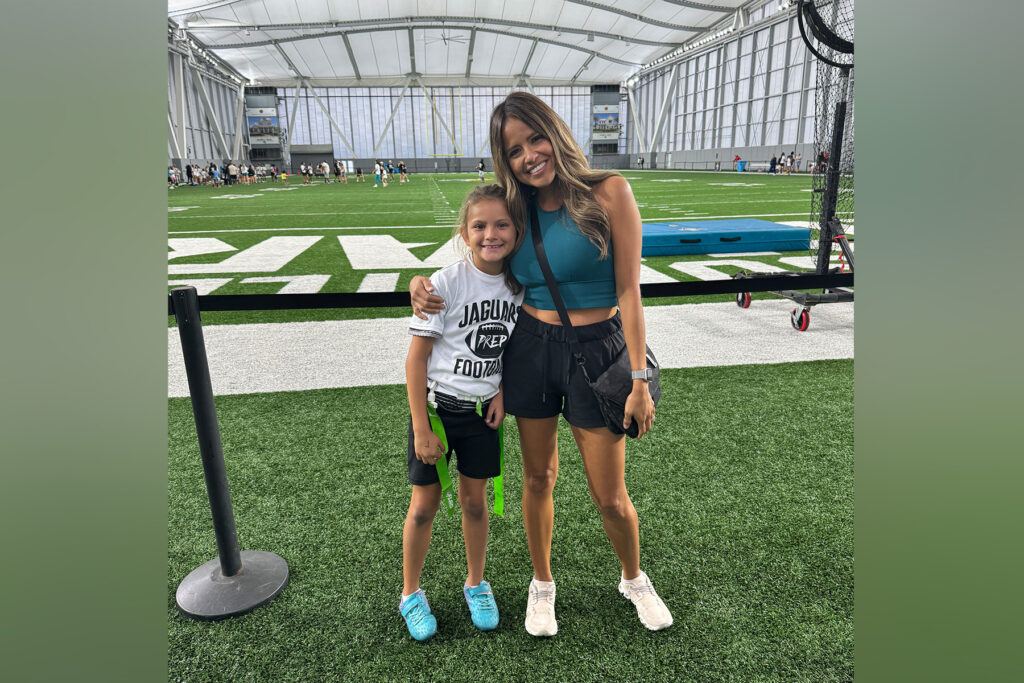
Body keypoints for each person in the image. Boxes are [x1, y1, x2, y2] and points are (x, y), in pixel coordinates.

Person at [410, 91, 671, 637]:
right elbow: (472, 250)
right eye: (514, 149)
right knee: (537, 477)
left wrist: (641, 380)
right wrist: (419, 285)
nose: (529, 155)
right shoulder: (515, 206)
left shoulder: (609, 192)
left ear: (555, 132)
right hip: (527, 350)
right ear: (504, 161)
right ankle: (541, 583)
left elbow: (629, 290)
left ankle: (633, 577)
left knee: (611, 496)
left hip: (599, 350)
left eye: (535, 138)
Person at [401, 184, 524, 642]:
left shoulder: (518, 285)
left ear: (516, 230)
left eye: (501, 224)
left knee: (475, 503)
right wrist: (419, 427)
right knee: (424, 507)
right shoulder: (445, 282)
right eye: (479, 226)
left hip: (481, 415)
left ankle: (476, 583)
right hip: (436, 412)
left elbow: (516, 350)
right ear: (464, 232)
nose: (490, 234)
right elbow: (415, 360)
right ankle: (410, 593)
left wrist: (503, 393)